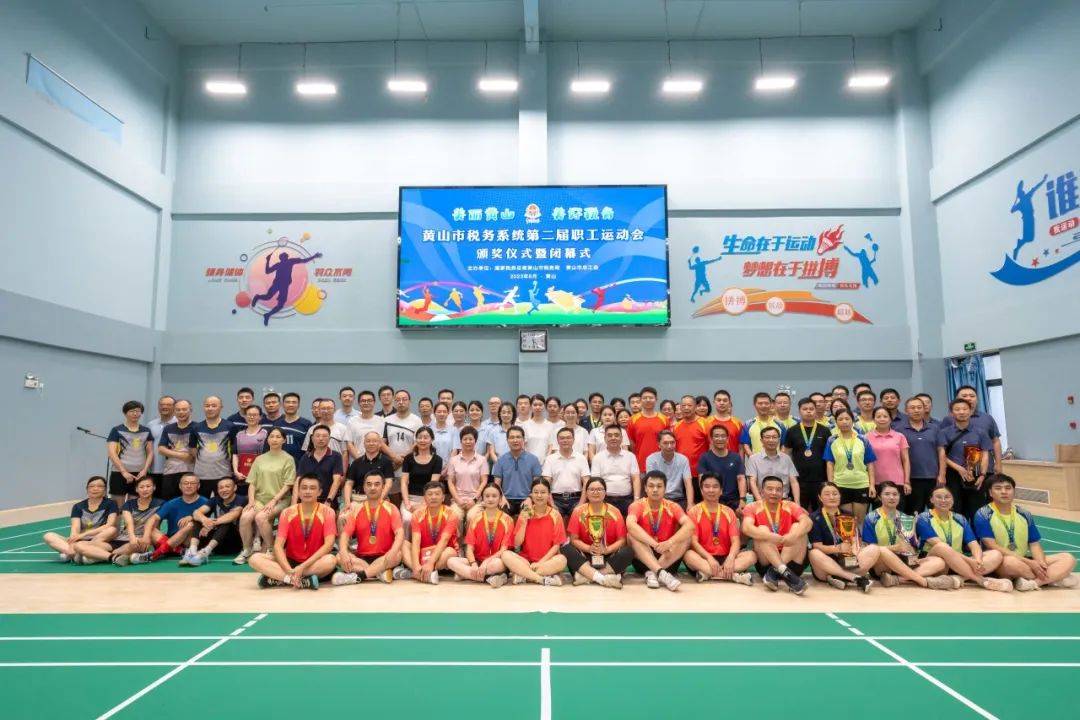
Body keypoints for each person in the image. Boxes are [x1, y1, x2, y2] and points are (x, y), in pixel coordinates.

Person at [974, 474, 1078, 590]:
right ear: (990, 493)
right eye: (998, 488)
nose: (1004, 492)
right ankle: (1053, 578)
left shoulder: (1024, 514)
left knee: (1068, 558)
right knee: (1010, 562)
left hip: (1023, 560)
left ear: (1014, 491)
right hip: (1000, 562)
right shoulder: (983, 514)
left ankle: (1034, 583)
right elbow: (992, 545)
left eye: (1008, 488)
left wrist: (1041, 563)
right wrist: (1030, 563)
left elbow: (1034, 544)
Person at [862, 482, 955, 590]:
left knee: (939, 562)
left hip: (903, 561)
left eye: (895, 494)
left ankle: (898, 579)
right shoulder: (871, 518)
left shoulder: (906, 518)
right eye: (887, 494)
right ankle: (921, 580)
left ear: (899, 496)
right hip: (882, 564)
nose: (891, 497)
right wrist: (895, 548)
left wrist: (911, 552)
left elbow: (912, 546)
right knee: (882, 551)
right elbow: (870, 549)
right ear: (879, 497)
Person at [915, 486, 1011, 592]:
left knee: (996, 554)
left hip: (959, 562)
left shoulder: (960, 519)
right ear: (931, 500)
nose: (943, 500)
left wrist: (978, 560)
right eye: (939, 497)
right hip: (935, 559)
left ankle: (958, 578)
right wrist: (970, 561)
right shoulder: (923, 518)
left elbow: (974, 545)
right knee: (941, 547)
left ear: (953, 500)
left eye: (947, 497)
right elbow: (941, 546)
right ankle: (979, 579)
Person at [249, 476, 337, 590]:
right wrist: (288, 570)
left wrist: (302, 567)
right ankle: (298, 580)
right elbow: (278, 546)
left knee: (331, 560)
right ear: (298, 491)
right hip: (290, 561)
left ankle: (279, 578)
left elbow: (329, 545)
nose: (307, 491)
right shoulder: (287, 512)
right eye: (304, 488)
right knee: (255, 559)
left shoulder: (328, 512)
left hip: (314, 562)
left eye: (312, 488)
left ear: (319, 492)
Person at [233, 427, 297, 565]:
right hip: (260, 499)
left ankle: (271, 549)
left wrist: (274, 500)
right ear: (267, 440)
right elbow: (252, 483)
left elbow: (288, 484)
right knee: (245, 517)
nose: (274, 439)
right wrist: (251, 501)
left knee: (261, 517)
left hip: (280, 500)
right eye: (272, 436)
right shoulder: (260, 459)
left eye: (278, 437)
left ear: (284, 440)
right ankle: (247, 549)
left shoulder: (288, 459)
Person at [332, 470, 405, 585]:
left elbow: (400, 533)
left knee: (398, 554)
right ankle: (378, 573)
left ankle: (359, 576)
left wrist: (393, 551)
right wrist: (344, 552)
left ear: (383, 487)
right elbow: (345, 534)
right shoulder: (357, 509)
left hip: (385, 557)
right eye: (369, 484)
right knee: (339, 556)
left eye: (377, 484)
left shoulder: (391, 508)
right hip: (363, 558)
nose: (372, 488)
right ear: (364, 487)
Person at [741, 476, 811, 594]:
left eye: (778, 490)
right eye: (770, 489)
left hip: (792, 559)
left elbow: (808, 522)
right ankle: (784, 572)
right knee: (762, 530)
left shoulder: (790, 505)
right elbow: (746, 528)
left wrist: (794, 535)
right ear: (761, 492)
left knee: (798, 528)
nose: (774, 492)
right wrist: (770, 536)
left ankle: (776, 570)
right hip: (766, 561)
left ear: (782, 492)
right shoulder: (753, 507)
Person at [682, 474, 755, 584]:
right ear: (701, 490)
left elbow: (735, 541)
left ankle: (708, 574)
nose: (711, 490)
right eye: (707, 486)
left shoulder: (729, 512)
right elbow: (694, 542)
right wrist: (709, 558)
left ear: (721, 491)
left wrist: (731, 558)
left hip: (725, 557)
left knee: (751, 556)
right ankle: (732, 576)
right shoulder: (694, 512)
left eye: (715, 486)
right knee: (688, 555)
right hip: (703, 558)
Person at [625, 471, 693, 590]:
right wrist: (655, 544)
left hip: (667, 556)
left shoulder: (673, 506)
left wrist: (670, 542)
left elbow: (690, 525)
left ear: (665, 489)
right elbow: (630, 525)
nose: (655, 489)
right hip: (643, 558)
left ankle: (653, 573)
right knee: (631, 535)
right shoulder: (637, 505)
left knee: (687, 537)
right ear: (645, 488)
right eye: (651, 486)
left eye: (659, 486)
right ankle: (661, 573)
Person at [562, 478, 632, 588]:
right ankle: (605, 577)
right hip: (586, 556)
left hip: (608, 556)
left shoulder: (615, 511)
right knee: (565, 549)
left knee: (629, 551)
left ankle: (588, 576)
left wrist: (607, 549)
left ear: (605, 492)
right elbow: (574, 539)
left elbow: (622, 540)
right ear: (586, 492)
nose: (596, 492)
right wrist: (589, 548)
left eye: (599, 489)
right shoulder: (578, 511)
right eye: (592, 489)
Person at [807, 483, 877, 591]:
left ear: (840, 496)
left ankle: (838, 577)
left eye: (835, 494)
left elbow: (857, 540)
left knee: (874, 549)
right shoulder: (814, 517)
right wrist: (838, 548)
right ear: (820, 497)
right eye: (827, 494)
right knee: (813, 553)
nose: (832, 497)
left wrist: (855, 548)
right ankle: (853, 578)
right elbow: (817, 546)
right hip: (825, 566)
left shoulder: (849, 515)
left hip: (849, 562)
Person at [501, 479, 568, 586]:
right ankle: (541, 579)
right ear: (531, 495)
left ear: (549, 495)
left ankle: (524, 575)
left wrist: (541, 562)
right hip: (526, 561)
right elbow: (517, 543)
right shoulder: (525, 512)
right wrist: (524, 522)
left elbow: (556, 545)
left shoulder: (555, 515)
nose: (539, 495)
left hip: (546, 561)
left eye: (543, 492)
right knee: (506, 555)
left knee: (562, 560)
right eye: (536, 492)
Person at [131, 473, 209, 564]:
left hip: (190, 541)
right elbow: (153, 519)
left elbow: (209, 523)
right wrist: (146, 537)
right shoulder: (171, 503)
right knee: (150, 528)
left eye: (192, 483)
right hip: (171, 540)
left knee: (190, 525)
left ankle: (153, 555)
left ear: (198, 486)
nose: (189, 486)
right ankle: (180, 551)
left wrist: (192, 517)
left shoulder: (205, 502)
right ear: (180, 486)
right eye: (185, 483)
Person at [447, 483, 514, 587]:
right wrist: (473, 563)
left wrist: (486, 562)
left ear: (500, 499)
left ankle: (467, 575)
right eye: (487, 496)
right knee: (451, 561)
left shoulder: (507, 520)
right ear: (482, 499)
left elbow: (503, 550)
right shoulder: (475, 518)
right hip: (477, 561)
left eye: (494, 496)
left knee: (497, 564)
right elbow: (469, 548)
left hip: (495, 561)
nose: (490, 499)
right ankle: (489, 578)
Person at [937, 398, 992, 520]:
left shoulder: (981, 432)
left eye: (965, 409)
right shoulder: (944, 432)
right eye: (957, 409)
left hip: (975, 474)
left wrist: (982, 475)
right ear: (951, 413)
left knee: (977, 509)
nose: (961, 412)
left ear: (971, 411)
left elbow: (985, 454)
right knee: (956, 508)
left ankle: (977, 533)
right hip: (953, 475)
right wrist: (959, 469)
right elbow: (942, 455)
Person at [43, 476, 119, 563]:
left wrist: (83, 534)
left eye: (100, 486)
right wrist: (73, 539)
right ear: (87, 489)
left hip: (98, 539)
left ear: (105, 490)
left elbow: (110, 524)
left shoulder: (111, 504)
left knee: (111, 529)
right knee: (48, 536)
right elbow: (75, 528)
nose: (95, 489)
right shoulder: (78, 506)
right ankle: (74, 553)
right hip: (80, 539)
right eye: (92, 486)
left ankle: (77, 552)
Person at [823, 408, 877, 526]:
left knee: (860, 521)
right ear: (836, 422)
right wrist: (831, 485)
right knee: (846, 521)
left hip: (861, 484)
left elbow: (870, 464)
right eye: (840, 419)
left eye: (847, 419)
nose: (844, 422)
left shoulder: (863, 439)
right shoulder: (832, 440)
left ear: (852, 421)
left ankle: (860, 539)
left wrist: (872, 485)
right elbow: (830, 464)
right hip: (840, 484)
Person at [402, 482, 458, 584]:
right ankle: (419, 571)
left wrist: (431, 563)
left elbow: (444, 540)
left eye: (437, 494)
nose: (433, 497)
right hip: (423, 553)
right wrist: (415, 565)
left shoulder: (451, 514)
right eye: (430, 494)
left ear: (443, 497)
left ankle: (416, 573)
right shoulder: (417, 514)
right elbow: (416, 541)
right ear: (424, 498)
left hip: (441, 553)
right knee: (403, 544)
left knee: (450, 552)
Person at [783, 397, 833, 512]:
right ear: (799, 411)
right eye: (805, 409)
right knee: (800, 512)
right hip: (798, 480)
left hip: (820, 479)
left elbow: (829, 457)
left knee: (821, 512)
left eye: (811, 409)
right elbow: (786, 454)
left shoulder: (825, 431)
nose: (808, 411)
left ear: (816, 410)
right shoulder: (792, 431)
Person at [183, 476, 246, 566]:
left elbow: (232, 516)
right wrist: (204, 520)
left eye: (227, 486)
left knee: (225, 523)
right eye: (221, 487)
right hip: (216, 542)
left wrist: (210, 525)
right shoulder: (215, 500)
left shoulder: (241, 499)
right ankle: (192, 551)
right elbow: (196, 512)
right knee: (198, 520)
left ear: (235, 488)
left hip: (233, 543)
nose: (224, 490)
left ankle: (205, 553)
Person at [897, 396, 942, 515]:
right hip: (911, 479)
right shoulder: (899, 430)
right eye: (912, 408)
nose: (916, 410)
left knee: (936, 513)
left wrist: (942, 475)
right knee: (913, 513)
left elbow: (941, 453)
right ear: (906, 411)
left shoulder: (935, 428)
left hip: (933, 478)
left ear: (924, 409)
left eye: (919, 407)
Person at [104, 476, 164, 566]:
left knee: (121, 550)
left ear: (154, 487)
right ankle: (123, 557)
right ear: (136, 489)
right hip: (126, 537)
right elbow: (129, 523)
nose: (145, 489)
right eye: (141, 487)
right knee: (94, 546)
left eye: (148, 486)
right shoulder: (129, 504)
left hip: (144, 539)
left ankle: (98, 556)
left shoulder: (161, 504)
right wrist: (132, 538)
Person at [944, 385, 1004, 475]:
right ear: (956, 399)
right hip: (956, 470)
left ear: (977, 399)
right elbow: (941, 446)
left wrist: (998, 463)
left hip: (984, 469)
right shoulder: (948, 420)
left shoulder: (987, 418)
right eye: (964, 396)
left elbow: (995, 441)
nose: (969, 398)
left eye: (972, 396)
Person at [106, 400, 154, 506]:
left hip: (140, 474)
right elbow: (112, 452)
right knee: (117, 506)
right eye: (132, 411)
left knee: (135, 505)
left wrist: (145, 470)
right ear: (125, 413)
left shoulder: (146, 431)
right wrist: (124, 472)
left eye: (138, 411)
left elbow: (150, 452)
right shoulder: (116, 430)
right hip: (119, 473)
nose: (135, 414)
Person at [590, 425, 640, 517]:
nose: (613, 438)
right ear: (605, 439)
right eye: (610, 435)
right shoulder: (597, 458)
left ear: (622, 438)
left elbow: (636, 478)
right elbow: (595, 482)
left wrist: (636, 500)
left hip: (627, 500)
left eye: (617, 435)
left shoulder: (630, 456)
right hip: (605, 500)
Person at [491, 427, 543, 515]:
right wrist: (501, 497)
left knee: (528, 516)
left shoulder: (533, 460)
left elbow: (537, 484)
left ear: (523, 439)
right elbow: (497, 484)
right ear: (507, 440)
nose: (515, 440)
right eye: (512, 437)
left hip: (527, 499)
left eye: (518, 437)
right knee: (501, 517)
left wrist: (530, 498)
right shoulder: (501, 460)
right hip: (506, 499)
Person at [543, 427, 591, 519]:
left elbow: (586, 482)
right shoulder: (550, 459)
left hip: (576, 498)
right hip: (555, 499)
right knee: (553, 521)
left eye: (568, 438)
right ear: (557, 440)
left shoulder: (581, 458)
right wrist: (551, 503)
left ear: (573, 440)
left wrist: (581, 504)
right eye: (562, 438)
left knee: (579, 521)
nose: (565, 440)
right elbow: (546, 483)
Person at [384, 389, 424, 500]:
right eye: (398, 400)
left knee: (407, 498)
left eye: (404, 399)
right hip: (392, 465)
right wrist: (394, 457)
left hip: (409, 466)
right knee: (393, 500)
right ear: (394, 402)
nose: (401, 402)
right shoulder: (387, 420)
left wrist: (402, 458)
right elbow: (382, 443)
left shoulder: (417, 421)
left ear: (410, 401)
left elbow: (418, 442)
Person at [696, 425, 746, 512]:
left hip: (734, 500)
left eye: (723, 436)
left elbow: (741, 479)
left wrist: (742, 500)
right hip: (713, 499)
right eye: (716, 436)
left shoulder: (736, 457)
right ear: (711, 439)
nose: (720, 439)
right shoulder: (704, 458)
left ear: (727, 439)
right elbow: (702, 481)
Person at [745, 426, 799, 504]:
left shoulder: (786, 458)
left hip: (784, 501)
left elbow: (794, 482)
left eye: (774, 437)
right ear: (761, 440)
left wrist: (797, 503)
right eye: (767, 437)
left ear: (779, 440)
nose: (771, 440)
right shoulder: (753, 459)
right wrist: (760, 502)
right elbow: (752, 482)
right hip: (762, 500)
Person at [192, 396, 234, 498]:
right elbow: (192, 449)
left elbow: (234, 449)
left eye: (214, 406)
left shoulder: (230, 426)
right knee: (202, 503)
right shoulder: (196, 427)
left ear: (221, 407)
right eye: (207, 406)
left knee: (223, 503)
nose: (210, 408)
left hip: (223, 474)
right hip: (201, 475)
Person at [446, 426, 489, 520]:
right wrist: (458, 500)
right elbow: (450, 482)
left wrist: (474, 499)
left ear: (475, 441)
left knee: (472, 517)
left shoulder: (482, 460)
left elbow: (484, 482)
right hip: (457, 500)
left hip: (476, 500)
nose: (468, 442)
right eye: (465, 439)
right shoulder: (453, 460)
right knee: (454, 517)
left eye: (470, 439)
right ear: (460, 441)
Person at [401, 426, 444, 519]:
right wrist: (407, 503)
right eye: (419, 437)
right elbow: (404, 483)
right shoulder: (408, 459)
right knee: (407, 518)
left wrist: (423, 505)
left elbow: (432, 485)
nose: (422, 440)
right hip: (410, 498)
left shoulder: (437, 460)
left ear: (432, 439)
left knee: (424, 518)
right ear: (416, 440)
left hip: (430, 498)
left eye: (426, 437)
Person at [158, 399, 197, 501]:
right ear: (174, 412)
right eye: (178, 410)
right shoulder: (168, 428)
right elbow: (161, 449)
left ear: (190, 410)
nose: (181, 412)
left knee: (190, 501)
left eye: (184, 409)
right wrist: (182, 455)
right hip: (170, 471)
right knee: (169, 502)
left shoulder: (197, 427)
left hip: (191, 471)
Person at [866, 406, 910, 495]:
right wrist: (871, 484)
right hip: (874, 483)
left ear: (890, 419)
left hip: (897, 482)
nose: (882, 419)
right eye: (878, 417)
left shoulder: (900, 436)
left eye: (885, 416)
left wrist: (906, 481)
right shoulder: (866, 437)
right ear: (873, 419)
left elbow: (906, 460)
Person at [297, 424, 344, 507]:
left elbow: (337, 481)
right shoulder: (305, 457)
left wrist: (328, 501)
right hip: (306, 500)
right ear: (312, 438)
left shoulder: (336, 456)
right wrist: (294, 504)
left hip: (327, 500)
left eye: (324, 436)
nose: (321, 438)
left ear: (329, 439)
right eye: (318, 436)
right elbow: (298, 480)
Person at [645, 430, 693, 508]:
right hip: (659, 498)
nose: (670, 446)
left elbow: (688, 483)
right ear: (659, 444)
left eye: (672, 442)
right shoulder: (651, 459)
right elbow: (651, 483)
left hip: (678, 498)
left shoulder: (683, 459)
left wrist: (690, 504)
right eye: (665, 443)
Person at [626, 387, 668, 472]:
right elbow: (631, 442)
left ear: (656, 399)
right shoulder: (633, 419)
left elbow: (667, 442)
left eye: (651, 397)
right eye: (645, 398)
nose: (648, 400)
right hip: (640, 464)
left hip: (661, 464)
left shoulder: (664, 419)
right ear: (640, 400)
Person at [673, 395, 711, 484]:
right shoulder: (676, 426)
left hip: (701, 472)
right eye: (683, 406)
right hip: (681, 472)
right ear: (680, 408)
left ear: (695, 407)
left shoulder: (705, 424)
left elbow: (711, 446)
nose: (686, 408)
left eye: (689, 405)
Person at [231, 404, 267, 496]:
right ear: (245, 416)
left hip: (260, 477)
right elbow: (235, 454)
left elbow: (268, 456)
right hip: (241, 478)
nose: (251, 417)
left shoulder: (266, 433)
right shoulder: (239, 434)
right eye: (249, 415)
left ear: (260, 417)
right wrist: (236, 472)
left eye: (255, 415)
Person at [739, 392, 785, 457]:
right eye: (760, 403)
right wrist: (754, 459)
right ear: (755, 405)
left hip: (776, 461)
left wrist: (780, 458)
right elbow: (745, 445)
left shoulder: (780, 424)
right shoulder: (748, 424)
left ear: (771, 404)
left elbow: (783, 444)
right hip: (756, 462)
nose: (763, 406)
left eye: (766, 403)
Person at [345, 389, 387, 461]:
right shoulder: (352, 421)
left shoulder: (382, 421)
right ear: (359, 403)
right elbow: (349, 444)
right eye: (363, 401)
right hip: (357, 462)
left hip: (377, 462)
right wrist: (360, 461)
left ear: (374, 402)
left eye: (369, 400)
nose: (366, 403)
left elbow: (382, 443)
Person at [147, 395, 175, 495]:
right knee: (155, 498)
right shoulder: (151, 424)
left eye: (168, 404)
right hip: (154, 469)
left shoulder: (179, 423)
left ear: (174, 407)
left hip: (173, 470)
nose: (164, 407)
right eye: (162, 404)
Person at [273, 392, 312, 463]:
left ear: (298, 405)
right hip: (278, 464)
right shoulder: (276, 424)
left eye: (294, 402)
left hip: (299, 465)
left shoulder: (307, 424)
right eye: (288, 402)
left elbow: (310, 448)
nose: (291, 405)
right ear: (282, 405)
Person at [522, 394, 555, 459]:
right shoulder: (525, 425)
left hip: (546, 461)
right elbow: (523, 446)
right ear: (530, 407)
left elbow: (551, 445)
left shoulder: (550, 425)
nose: (538, 407)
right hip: (528, 461)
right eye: (535, 405)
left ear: (544, 406)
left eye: (540, 405)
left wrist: (546, 459)